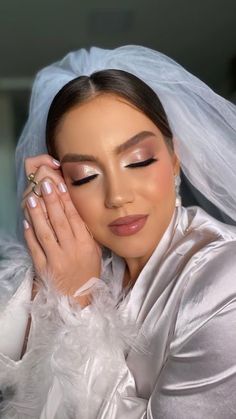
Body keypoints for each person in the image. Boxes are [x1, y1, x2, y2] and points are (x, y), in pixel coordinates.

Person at [0, 45, 236, 419]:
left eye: (139, 161)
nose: (118, 196)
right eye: (84, 176)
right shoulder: (86, 259)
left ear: (175, 159)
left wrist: (79, 307)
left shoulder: (225, 284)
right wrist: (46, 280)